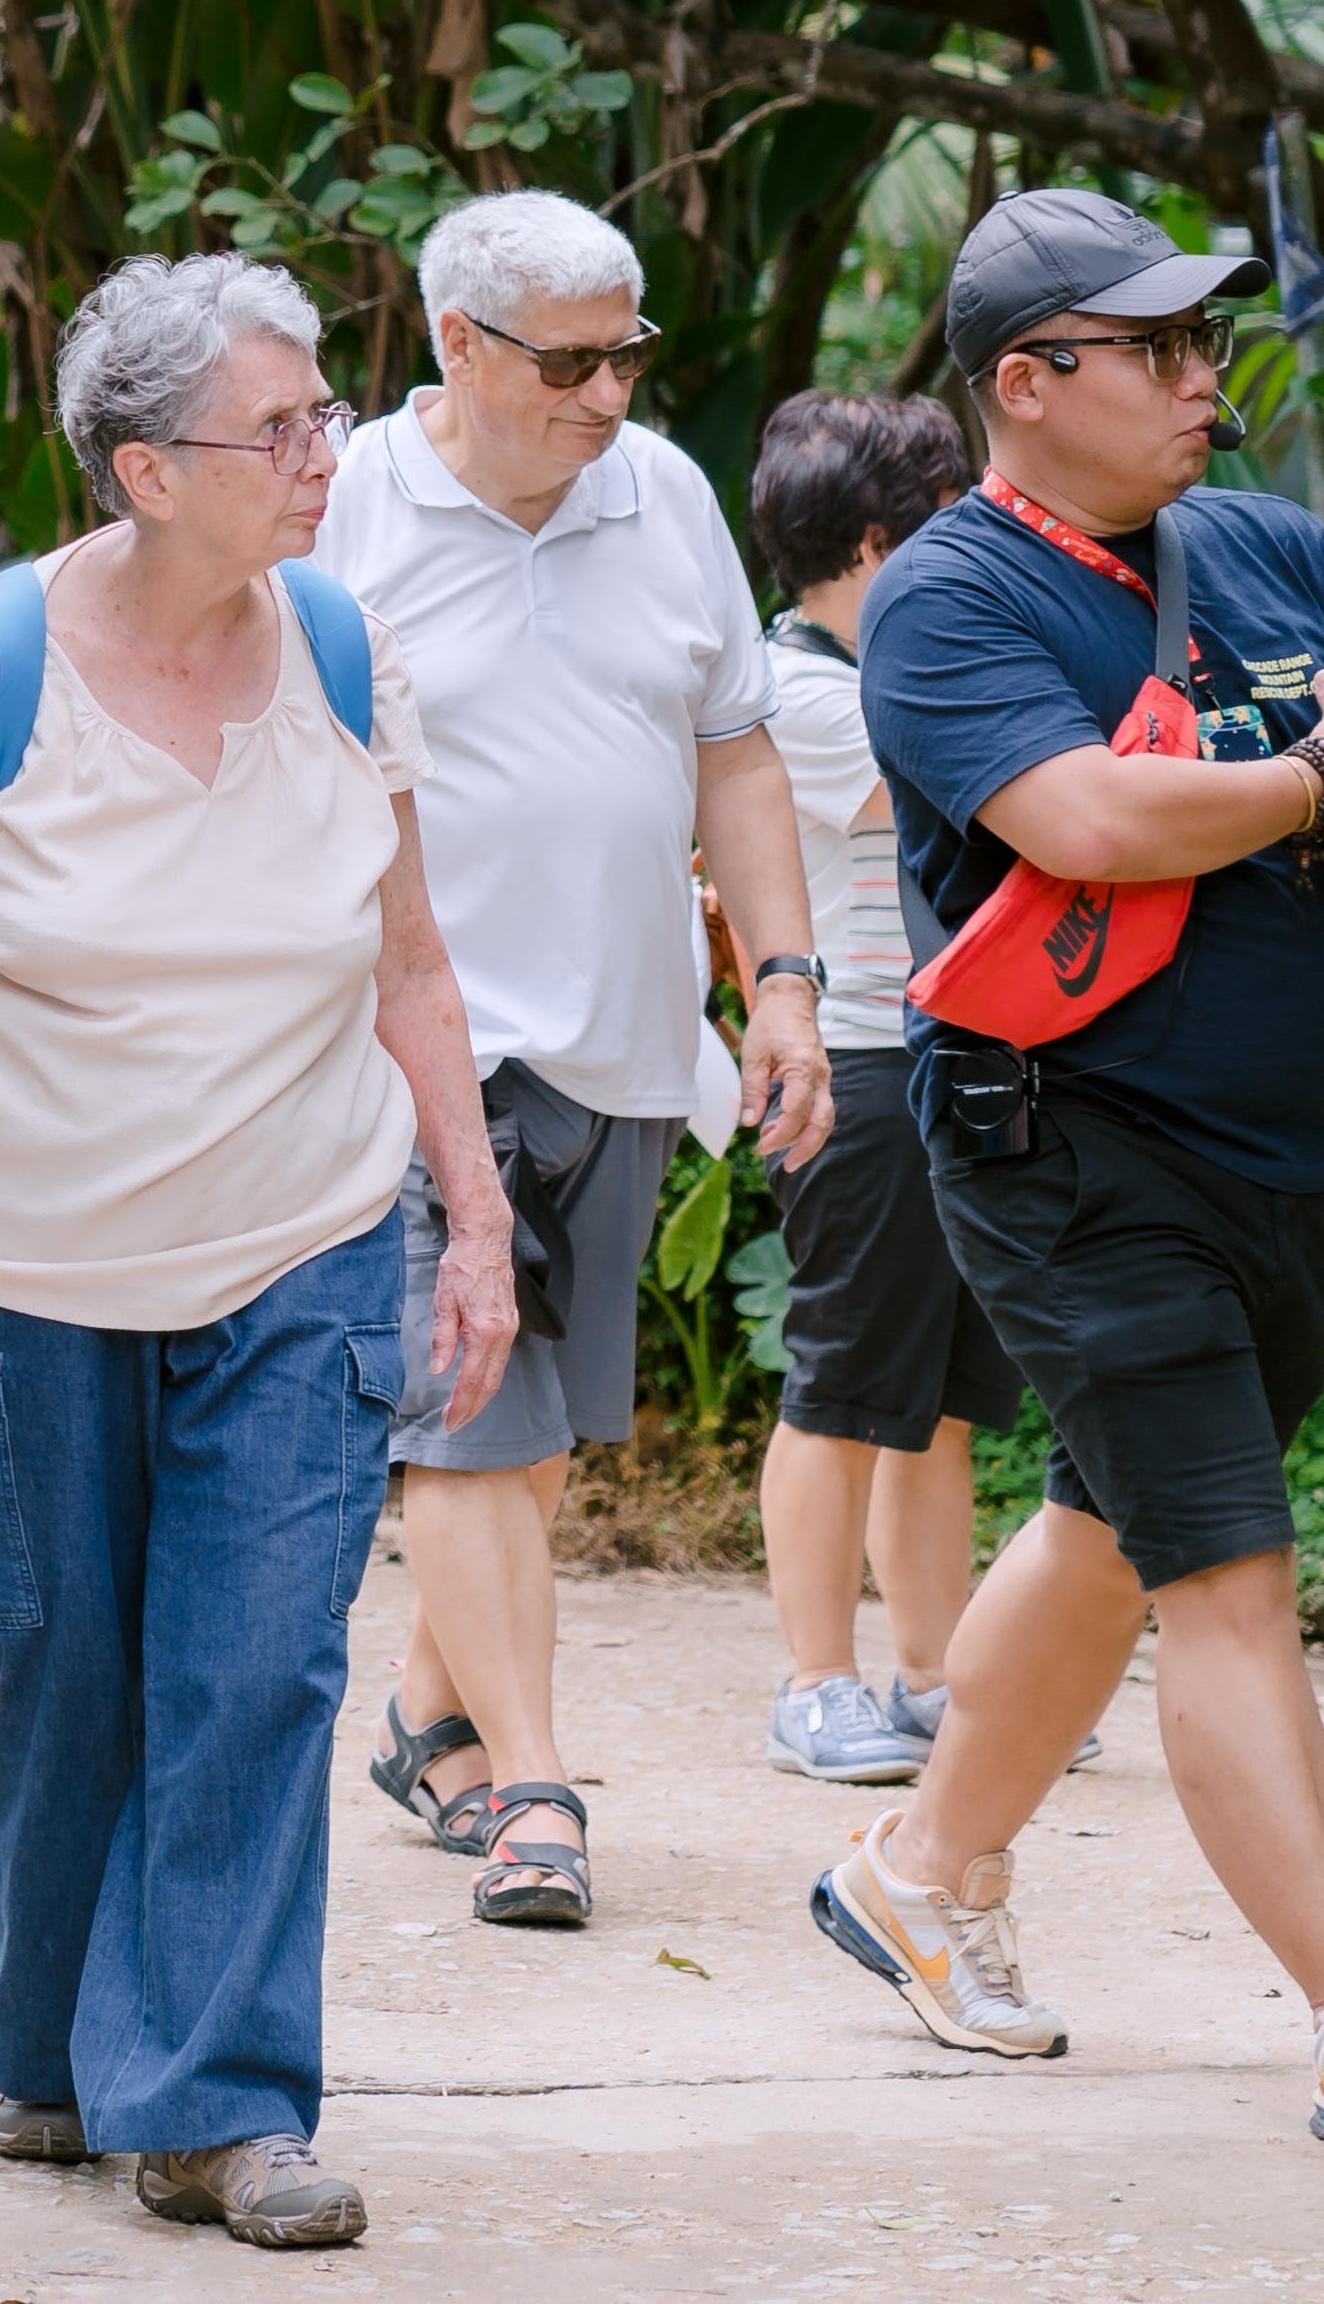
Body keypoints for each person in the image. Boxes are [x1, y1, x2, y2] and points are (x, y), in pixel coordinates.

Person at [0, 255, 514, 2254]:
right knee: (71, 1662)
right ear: (141, 467)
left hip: (295, 1236)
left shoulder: (339, 644)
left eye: (322, 412)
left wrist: (472, 1220)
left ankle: (216, 2101)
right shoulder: (0, 668)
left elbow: (409, 960)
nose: (323, 454)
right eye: (275, 427)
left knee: (258, 1662)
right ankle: (52, 2040)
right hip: (21, 1258)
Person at [809, 187, 1324, 2157]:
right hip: (1069, 1142)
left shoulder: (1265, 542)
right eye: (1159, 347)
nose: (1208, 375)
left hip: (1277, 1140)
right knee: (1226, 1565)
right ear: (1028, 384)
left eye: (1210, 340)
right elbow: (1088, 814)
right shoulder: (952, 596)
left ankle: (922, 1868)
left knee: (1116, 1516)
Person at [315, 189, 834, 1931]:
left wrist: (780, 981)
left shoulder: (663, 492)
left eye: (629, 350)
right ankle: (536, 1788)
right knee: (467, 1412)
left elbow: (738, 757)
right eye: (569, 359)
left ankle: (422, 1710)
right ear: (453, 344)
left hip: (616, 1042)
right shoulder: (342, 508)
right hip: (401, 1049)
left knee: (530, 1441)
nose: (608, 390)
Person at [742, 391, 1008, 1781]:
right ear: (868, 543)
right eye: (944, 526)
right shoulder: (816, 696)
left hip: (935, 1056)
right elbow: (987, 794)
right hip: (851, 1066)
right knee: (843, 1383)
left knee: (939, 1399)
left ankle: (929, 1672)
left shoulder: (858, 680)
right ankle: (815, 1681)